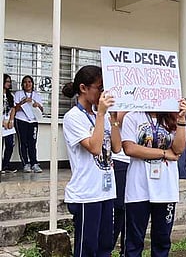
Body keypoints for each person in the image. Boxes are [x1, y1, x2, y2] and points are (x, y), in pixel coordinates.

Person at [62, 65, 122, 257]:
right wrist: (102, 114)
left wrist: (113, 120)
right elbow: (95, 148)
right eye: (99, 87)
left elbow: (117, 147)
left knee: (105, 246)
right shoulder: (73, 117)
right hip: (86, 194)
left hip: (106, 190)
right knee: (87, 248)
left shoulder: (100, 116)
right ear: (83, 88)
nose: (103, 93)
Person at [121, 99, 186, 256]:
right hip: (138, 189)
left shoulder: (172, 118)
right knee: (134, 241)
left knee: (162, 240)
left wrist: (182, 119)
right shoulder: (133, 117)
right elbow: (130, 148)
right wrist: (164, 153)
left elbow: (178, 150)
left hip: (166, 189)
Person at [14, 75, 43, 173]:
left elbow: (42, 110)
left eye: (29, 82)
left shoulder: (36, 95)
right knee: (23, 142)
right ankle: (26, 164)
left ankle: (34, 163)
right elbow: (14, 109)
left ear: (32, 84)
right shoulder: (18, 94)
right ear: (22, 84)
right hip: (21, 120)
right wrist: (23, 102)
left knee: (32, 142)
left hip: (33, 121)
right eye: (25, 82)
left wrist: (37, 104)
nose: (27, 84)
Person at [112, 112, 129, 257]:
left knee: (132, 208)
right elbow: (117, 118)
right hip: (120, 159)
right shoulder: (120, 96)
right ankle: (107, 248)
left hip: (140, 159)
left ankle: (127, 250)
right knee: (119, 207)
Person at [2, 74, 16, 174]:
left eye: (9, 81)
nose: (9, 83)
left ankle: (5, 164)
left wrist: (11, 120)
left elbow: (13, 109)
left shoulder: (10, 96)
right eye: (7, 81)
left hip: (8, 123)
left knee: (10, 144)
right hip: (2, 122)